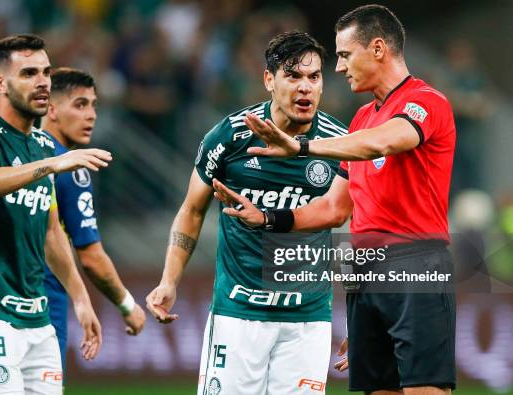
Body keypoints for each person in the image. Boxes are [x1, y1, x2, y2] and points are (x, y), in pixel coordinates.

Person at [213, 5, 456, 395]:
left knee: (424, 390)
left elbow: (386, 141)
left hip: (416, 266)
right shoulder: (360, 119)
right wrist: (268, 219)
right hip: (365, 271)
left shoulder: (426, 101)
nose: (339, 67)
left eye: (344, 54)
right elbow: (333, 207)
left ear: (377, 48)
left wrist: (302, 146)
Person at [146, 31, 348, 395]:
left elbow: (357, 222)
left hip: (308, 319)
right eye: (293, 76)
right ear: (269, 80)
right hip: (238, 315)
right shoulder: (231, 136)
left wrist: (365, 314)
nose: (305, 88)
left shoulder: (337, 143)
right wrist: (169, 279)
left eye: (314, 77)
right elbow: (192, 210)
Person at [0, 34, 110, 395]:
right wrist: (52, 164)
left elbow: (51, 231)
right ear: (0, 83)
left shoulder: (38, 145)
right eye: (29, 73)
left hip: (36, 316)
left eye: (46, 72)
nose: (42, 82)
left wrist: (82, 302)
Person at [40, 67, 146, 371]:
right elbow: (91, 256)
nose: (91, 115)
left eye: (94, 105)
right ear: (51, 109)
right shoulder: (70, 168)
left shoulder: (15, 157)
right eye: (80, 104)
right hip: (45, 306)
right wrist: (127, 305)